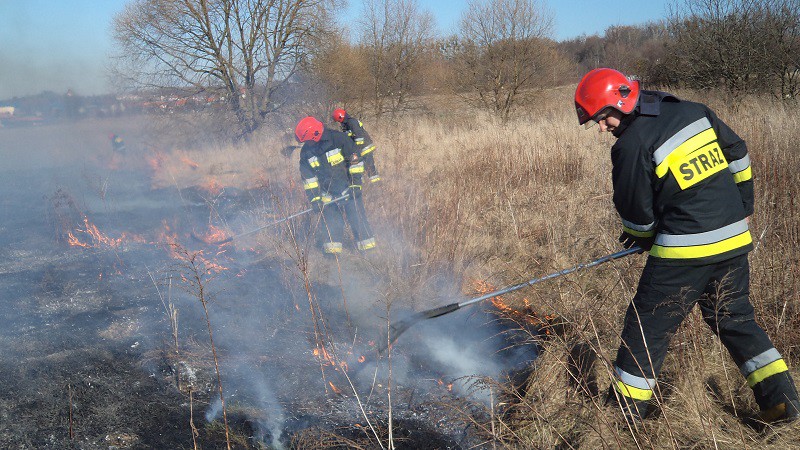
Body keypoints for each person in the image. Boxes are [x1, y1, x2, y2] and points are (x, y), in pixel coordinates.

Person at [574, 68, 799, 423]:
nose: (602, 128)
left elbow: (637, 213)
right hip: (734, 240)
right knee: (736, 320)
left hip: (685, 251)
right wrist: (743, 207)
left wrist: (644, 238)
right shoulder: (694, 110)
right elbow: (737, 152)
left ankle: (624, 418)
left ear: (623, 101)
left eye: (603, 118)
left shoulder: (631, 145)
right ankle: (784, 405)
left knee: (646, 326)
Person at [295, 116, 376, 254]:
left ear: (315, 135)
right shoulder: (306, 154)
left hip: (349, 190)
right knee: (331, 227)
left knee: (358, 221)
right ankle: (332, 260)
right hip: (328, 195)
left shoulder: (339, 139)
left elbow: (355, 162)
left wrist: (355, 185)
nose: (306, 144)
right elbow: (309, 180)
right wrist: (315, 200)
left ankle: (369, 254)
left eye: (307, 140)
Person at [332, 108, 381, 183]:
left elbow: (359, 138)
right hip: (360, 148)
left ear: (340, 117)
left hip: (365, 147)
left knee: (369, 166)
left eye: (338, 120)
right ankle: (367, 183)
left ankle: (376, 183)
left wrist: (355, 150)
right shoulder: (346, 124)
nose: (339, 122)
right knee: (363, 167)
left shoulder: (352, 122)